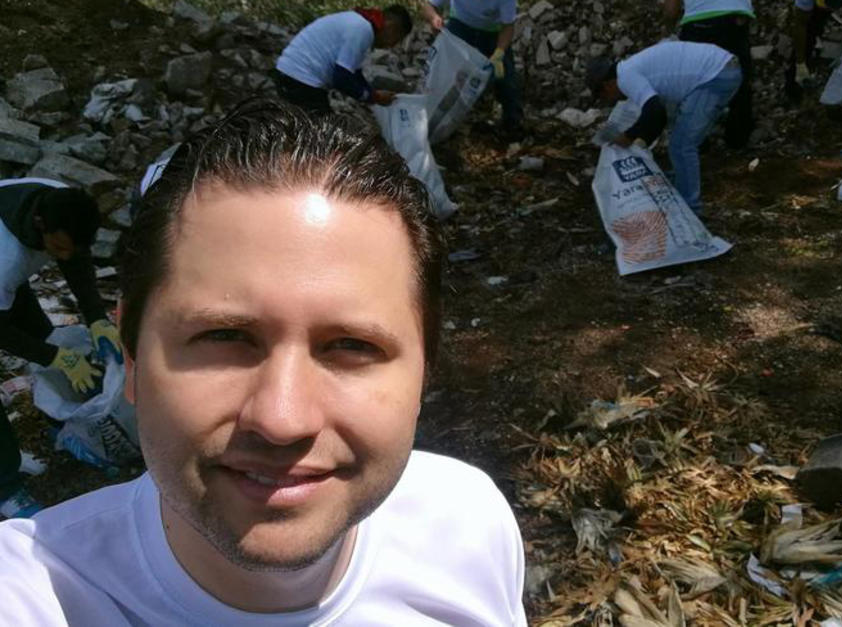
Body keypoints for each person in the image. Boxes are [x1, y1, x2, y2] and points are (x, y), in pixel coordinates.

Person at [0, 99, 527, 624]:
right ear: (132, 357)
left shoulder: (470, 527)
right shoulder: (33, 594)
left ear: (425, 370)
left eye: (352, 346)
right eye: (224, 335)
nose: (282, 420)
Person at [0, 178, 121, 520]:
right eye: (58, 247)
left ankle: (63, 421)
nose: (64, 256)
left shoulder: (59, 203)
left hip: (9, 276)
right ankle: (5, 488)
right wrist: (56, 357)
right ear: (40, 227)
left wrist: (97, 318)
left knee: (43, 335)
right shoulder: (5, 256)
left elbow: (76, 260)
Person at [587, 42, 742, 214]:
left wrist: (628, 137)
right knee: (679, 138)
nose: (611, 100)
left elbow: (655, 111)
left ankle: (691, 209)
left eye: (605, 96)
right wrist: (642, 141)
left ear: (607, 85)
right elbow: (660, 117)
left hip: (715, 76)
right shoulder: (630, 68)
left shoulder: (625, 77)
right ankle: (681, 181)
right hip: (720, 69)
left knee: (682, 146)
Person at [274, 6, 412, 113]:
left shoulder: (360, 22)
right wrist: (373, 97)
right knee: (322, 134)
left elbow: (354, 73)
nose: (392, 45)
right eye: (397, 39)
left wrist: (373, 94)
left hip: (290, 73)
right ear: (391, 27)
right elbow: (341, 78)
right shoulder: (363, 29)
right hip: (300, 79)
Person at [422, 0, 525, 140]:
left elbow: (507, 27)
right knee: (446, 75)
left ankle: (513, 125)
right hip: (460, 27)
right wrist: (434, 17)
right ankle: (434, 121)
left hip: (492, 33)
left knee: (506, 80)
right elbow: (428, 5)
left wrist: (499, 52)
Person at [663, 0, 755, 148]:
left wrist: (668, 30)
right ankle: (738, 139)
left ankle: (698, 139)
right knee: (738, 75)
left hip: (698, 20)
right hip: (735, 16)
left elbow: (672, 8)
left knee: (696, 81)